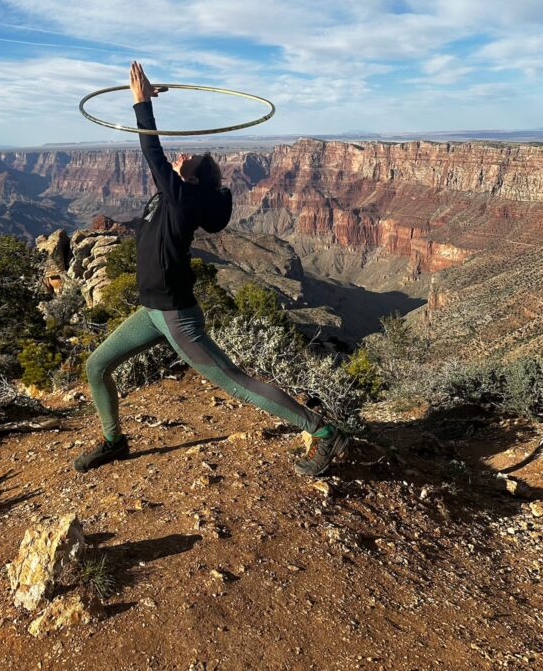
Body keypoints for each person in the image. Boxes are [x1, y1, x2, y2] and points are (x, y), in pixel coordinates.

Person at [72, 61, 348, 476]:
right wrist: (186, 171)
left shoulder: (182, 200)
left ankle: (323, 433)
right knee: (96, 366)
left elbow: (152, 152)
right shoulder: (179, 198)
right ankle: (114, 441)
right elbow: (175, 178)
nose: (181, 159)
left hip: (174, 314)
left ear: (193, 181)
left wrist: (141, 104)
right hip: (151, 311)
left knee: (234, 380)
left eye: (189, 162)